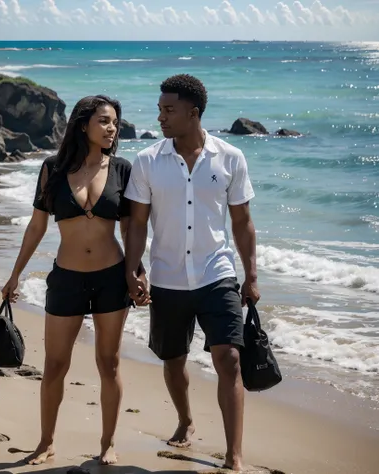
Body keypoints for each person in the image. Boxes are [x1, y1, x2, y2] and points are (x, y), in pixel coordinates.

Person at [124, 74, 260, 472]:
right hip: (166, 277)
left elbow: (242, 223)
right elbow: (136, 223)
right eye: (160, 109)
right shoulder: (148, 161)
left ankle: (234, 455)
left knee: (230, 358)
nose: (160, 116)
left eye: (168, 110)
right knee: (173, 358)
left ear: (193, 113)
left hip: (216, 273)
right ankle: (185, 420)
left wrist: (251, 275)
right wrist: (134, 269)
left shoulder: (230, 157)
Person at [1, 95, 140, 466]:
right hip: (66, 279)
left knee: (108, 363)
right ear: (83, 124)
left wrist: (136, 272)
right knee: (55, 365)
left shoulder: (123, 169)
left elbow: (130, 228)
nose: (113, 128)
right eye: (105, 121)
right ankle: (46, 442)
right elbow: (37, 225)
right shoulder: (53, 168)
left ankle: (108, 443)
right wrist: (15, 274)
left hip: (111, 278)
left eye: (115, 122)